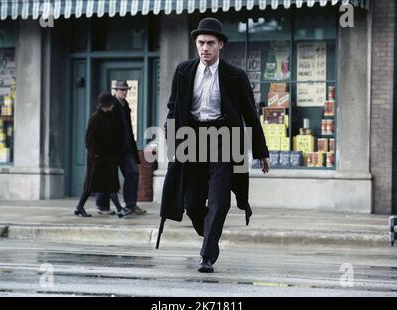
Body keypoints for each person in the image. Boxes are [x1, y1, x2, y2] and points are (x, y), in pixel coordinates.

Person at [159, 17, 270, 273]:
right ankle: (211, 236)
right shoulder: (183, 71)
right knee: (192, 203)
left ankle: (207, 255)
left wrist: (261, 152)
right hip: (192, 139)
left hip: (224, 139)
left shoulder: (235, 76)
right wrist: (172, 142)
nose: (204, 48)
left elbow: (250, 115)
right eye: (200, 43)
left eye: (210, 43)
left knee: (219, 201)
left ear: (221, 44)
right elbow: (172, 109)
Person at [95, 80, 147, 216]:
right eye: (121, 90)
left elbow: (127, 128)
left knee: (133, 173)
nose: (124, 92)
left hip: (126, 148)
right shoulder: (110, 104)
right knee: (108, 176)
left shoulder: (126, 105)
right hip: (112, 148)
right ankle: (102, 205)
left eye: (126, 90)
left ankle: (131, 204)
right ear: (116, 91)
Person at [74, 92, 126, 218]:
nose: (113, 106)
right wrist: (96, 154)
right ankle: (119, 209)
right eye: (111, 104)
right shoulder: (96, 118)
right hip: (98, 158)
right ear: (106, 105)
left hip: (107, 157)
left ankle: (79, 207)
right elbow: (89, 139)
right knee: (98, 184)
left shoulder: (108, 116)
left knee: (107, 184)